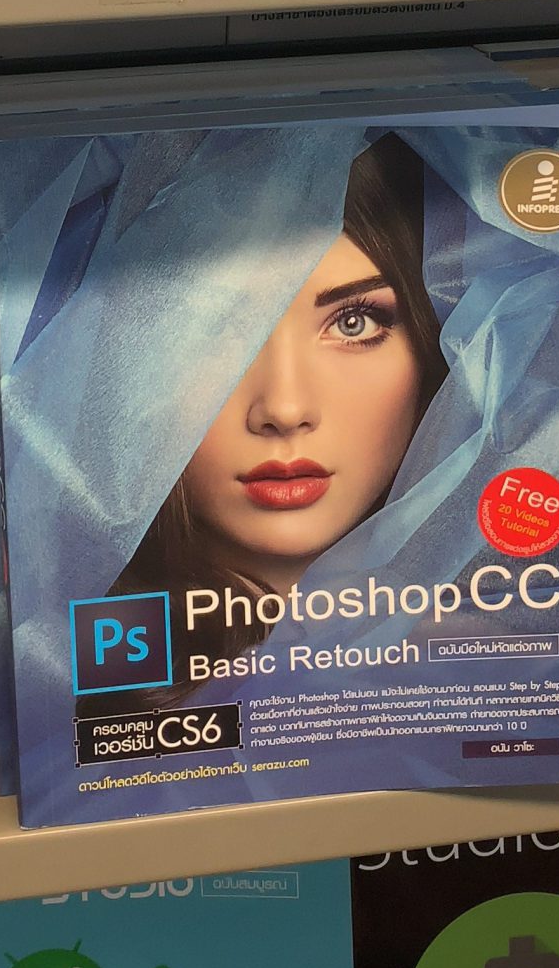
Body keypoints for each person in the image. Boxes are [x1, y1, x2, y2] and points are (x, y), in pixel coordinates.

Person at [117, 135, 447, 662]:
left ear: (431, 346)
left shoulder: (518, 652)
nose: (285, 410)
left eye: (354, 322)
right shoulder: (63, 663)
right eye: (211, 330)